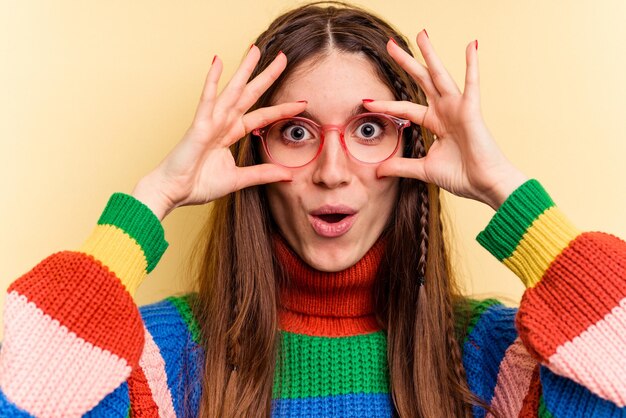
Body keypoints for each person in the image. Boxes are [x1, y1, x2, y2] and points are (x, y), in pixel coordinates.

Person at [1, 2, 625, 417]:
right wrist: (153, 198)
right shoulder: (160, 360)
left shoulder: (494, 357)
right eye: (297, 131)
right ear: (251, 153)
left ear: (413, 147)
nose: (332, 171)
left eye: (370, 128)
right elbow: (17, 398)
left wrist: (505, 189)